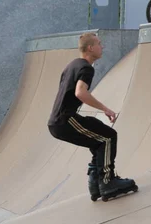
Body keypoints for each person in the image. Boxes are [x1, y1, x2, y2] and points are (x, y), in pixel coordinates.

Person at [47, 33, 135, 201]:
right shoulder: (86, 68)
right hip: (65, 121)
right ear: (90, 48)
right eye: (99, 44)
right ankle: (108, 182)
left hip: (59, 121)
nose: (102, 47)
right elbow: (80, 92)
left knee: (98, 138)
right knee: (108, 137)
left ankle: (95, 184)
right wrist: (105, 109)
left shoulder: (72, 65)